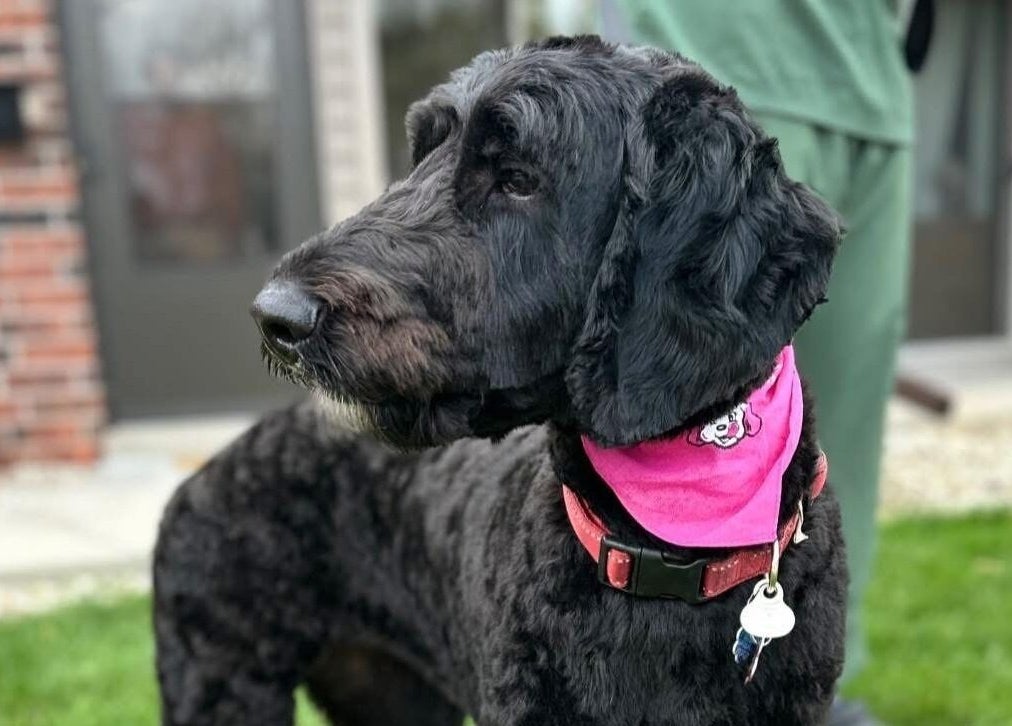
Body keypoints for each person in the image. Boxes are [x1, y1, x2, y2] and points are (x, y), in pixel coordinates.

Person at [601, 2, 915, 724]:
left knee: (832, 456)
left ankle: (816, 684)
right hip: (703, 49)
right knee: (662, 445)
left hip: (871, 84)